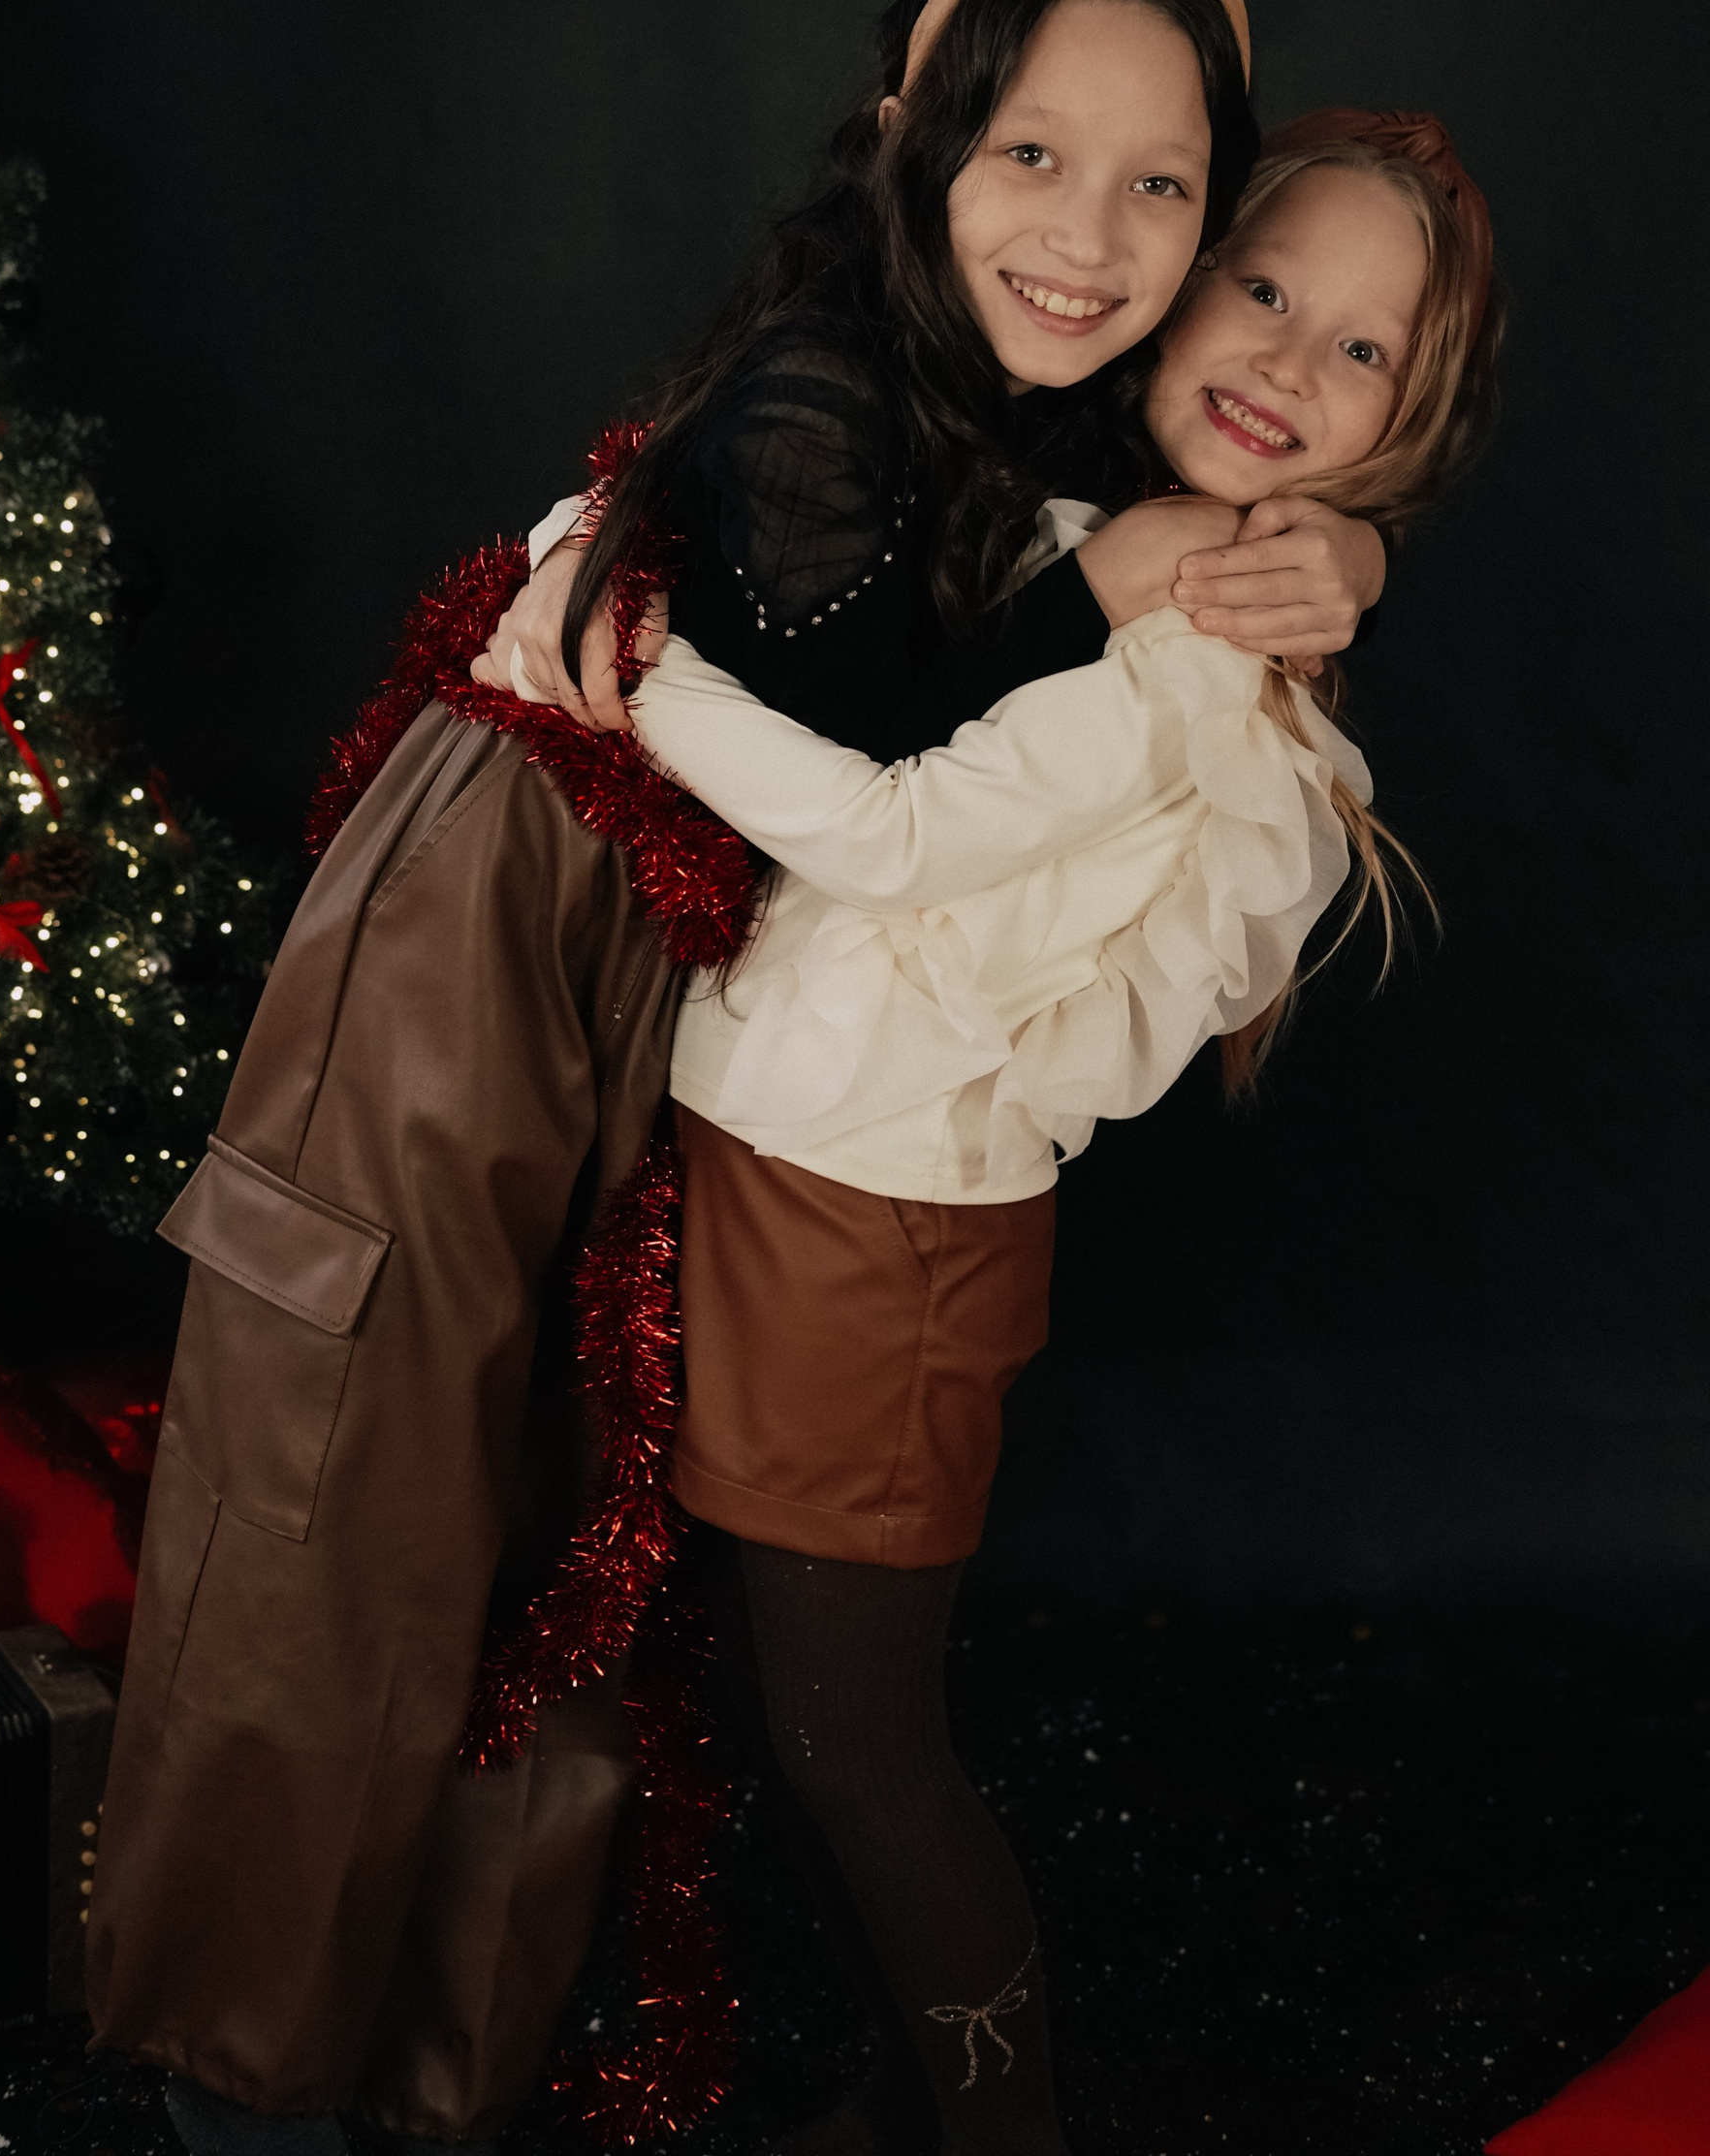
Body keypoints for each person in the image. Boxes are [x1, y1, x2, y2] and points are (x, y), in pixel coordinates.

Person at [87, 0, 1381, 2156]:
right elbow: (877, 743)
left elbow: (1209, 501)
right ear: (913, 137)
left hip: (695, 955)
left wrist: (1334, 548)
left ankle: (442, 2065)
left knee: (571, 1519)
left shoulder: (1062, 383)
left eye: (1163, 185)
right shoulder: (827, 382)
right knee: (355, 1483)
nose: (1090, 234)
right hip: (516, 904)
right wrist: (1093, 574)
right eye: (1031, 153)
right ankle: (246, 2082)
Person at [543, 107, 1498, 2156]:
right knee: (795, 1722)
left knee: (853, 1741)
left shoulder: (1195, 645)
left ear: (1406, 427)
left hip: (879, 1242)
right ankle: (908, 2096)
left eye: (1362, 351)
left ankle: (999, 2130)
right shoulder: (1084, 518)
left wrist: (621, 655)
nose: (1285, 357)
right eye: (1264, 288)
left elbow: (889, 836)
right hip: (796, 1182)